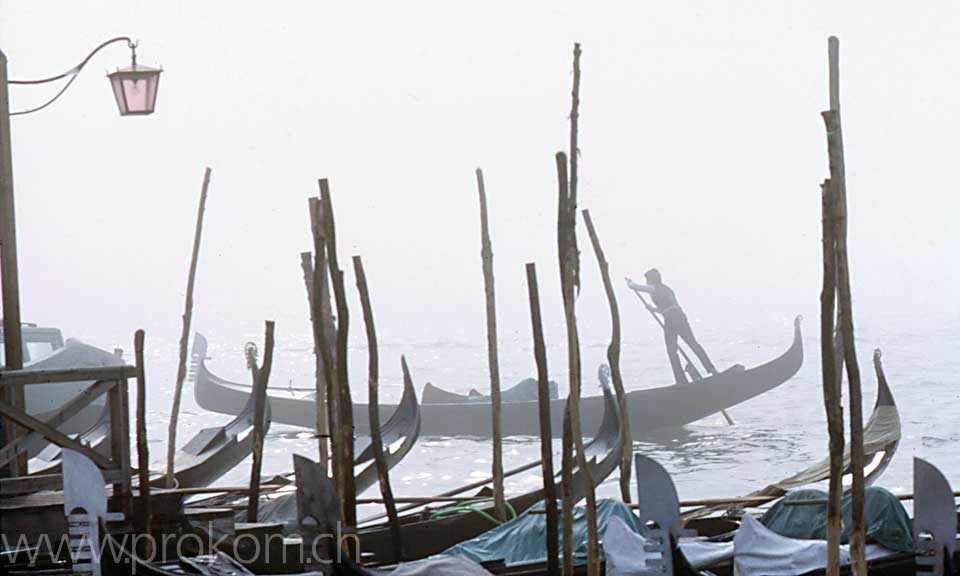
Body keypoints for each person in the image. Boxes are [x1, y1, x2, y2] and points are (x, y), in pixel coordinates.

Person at [626, 268, 718, 385]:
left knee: (672, 351)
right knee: (693, 344)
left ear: (651, 279)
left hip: (670, 320)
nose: (646, 282)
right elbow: (669, 307)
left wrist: (629, 282)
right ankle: (711, 369)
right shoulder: (668, 289)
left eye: (647, 280)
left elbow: (635, 287)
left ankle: (681, 380)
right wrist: (653, 309)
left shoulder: (654, 287)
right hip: (680, 316)